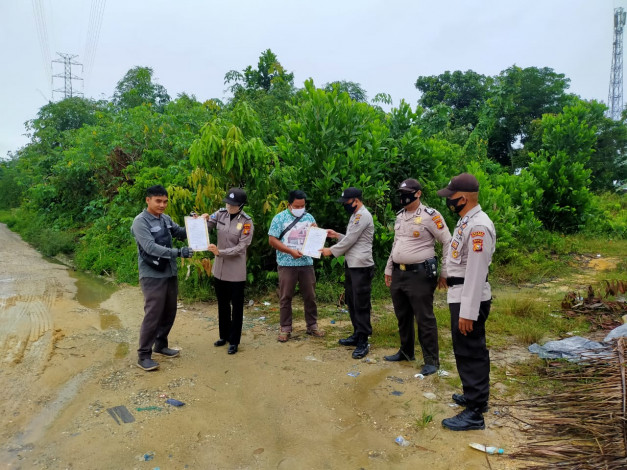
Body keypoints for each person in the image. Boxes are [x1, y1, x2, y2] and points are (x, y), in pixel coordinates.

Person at [436, 173, 496, 431]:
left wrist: (468, 313)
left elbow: (476, 271)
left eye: (451, 197)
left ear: (463, 198)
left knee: (470, 352)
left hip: (468, 298)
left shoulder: (479, 225)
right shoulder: (466, 221)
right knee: (466, 350)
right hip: (459, 294)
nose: (448, 202)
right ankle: (475, 397)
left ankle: (474, 413)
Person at [384, 178, 451, 376]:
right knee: (402, 315)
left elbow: (447, 241)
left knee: (424, 317)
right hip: (399, 272)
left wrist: (445, 272)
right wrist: (389, 268)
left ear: (418, 193)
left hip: (420, 274)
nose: (404, 197)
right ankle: (406, 351)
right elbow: (397, 244)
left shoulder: (431, 216)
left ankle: (431, 360)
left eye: (408, 192)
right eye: (401, 193)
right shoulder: (400, 216)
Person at [131, 185, 194, 371]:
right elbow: (150, 247)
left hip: (169, 272)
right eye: (158, 201)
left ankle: (160, 344)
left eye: (165, 201)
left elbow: (181, 232)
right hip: (152, 274)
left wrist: (195, 223)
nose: (162, 205)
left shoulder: (165, 219)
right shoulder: (140, 222)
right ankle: (143, 355)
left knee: (169, 310)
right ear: (148, 200)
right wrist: (178, 252)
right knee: (153, 313)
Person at [321, 187, 375, 359]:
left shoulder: (363, 215)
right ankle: (357, 334)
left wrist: (331, 251)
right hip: (352, 265)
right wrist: (337, 235)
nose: (345, 205)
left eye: (346, 202)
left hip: (361, 266)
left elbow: (351, 240)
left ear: (356, 201)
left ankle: (363, 340)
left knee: (361, 303)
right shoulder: (354, 215)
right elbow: (351, 238)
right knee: (352, 302)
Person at [202, 188, 254, 355]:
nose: (229, 206)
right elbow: (208, 225)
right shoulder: (220, 214)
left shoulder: (246, 222)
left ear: (241, 205)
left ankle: (234, 341)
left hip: (236, 272)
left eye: (233, 204)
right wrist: (200, 220)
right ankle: (223, 336)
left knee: (236, 307)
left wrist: (220, 252)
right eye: (227, 203)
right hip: (220, 270)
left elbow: (242, 247)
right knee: (222, 305)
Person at [268, 190, 325, 342]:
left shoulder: (309, 217)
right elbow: (272, 240)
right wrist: (289, 251)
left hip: (306, 263)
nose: (300, 208)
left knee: (310, 296)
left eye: (303, 205)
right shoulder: (279, 218)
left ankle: (312, 325)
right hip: (287, 263)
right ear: (289, 205)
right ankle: (285, 328)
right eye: (297, 206)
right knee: (286, 297)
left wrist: (316, 230)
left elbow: (316, 238)